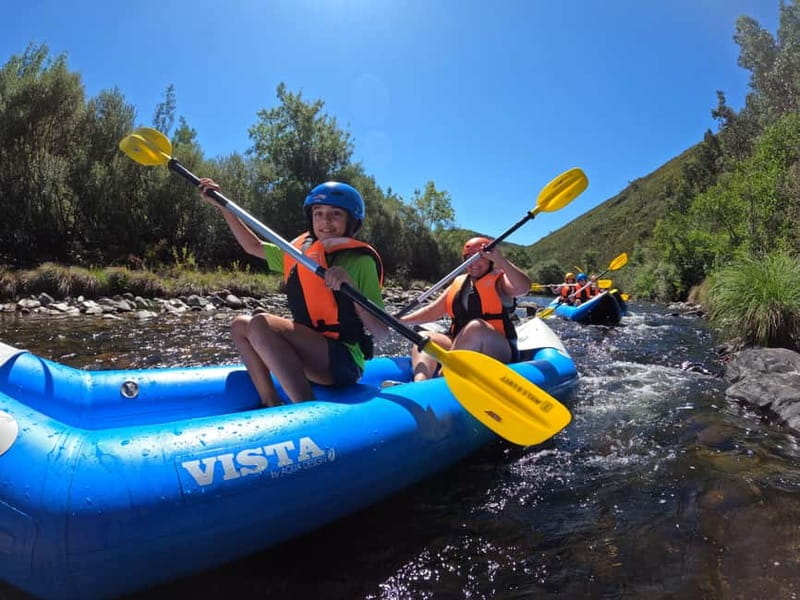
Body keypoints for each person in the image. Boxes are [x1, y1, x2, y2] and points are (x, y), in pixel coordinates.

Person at [199, 179, 390, 407]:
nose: (325, 221)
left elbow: (382, 333)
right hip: (311, 353)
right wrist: (223, 207)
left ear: (352, 221)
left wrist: (352, 290)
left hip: (344, 362)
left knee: (262, 323)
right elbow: (253, 246)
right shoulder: (299, 253)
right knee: (240, 325)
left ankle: (305, 409)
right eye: (318, 213)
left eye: (335, 214)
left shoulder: (359, 261)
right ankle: (269, 401)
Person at [399, 236, 531, 381]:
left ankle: (443, 379)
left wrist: (500, 260)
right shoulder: (459, 283)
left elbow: (523, 287)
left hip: (498, 348)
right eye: (469, 257)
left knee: (476, 327)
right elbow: (431, 311)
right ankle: (420, 383)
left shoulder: (500, 281)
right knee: (425, 338)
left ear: (489, 259)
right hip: (461, 345)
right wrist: (400, 320)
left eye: (479, 257)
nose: (474, 262)